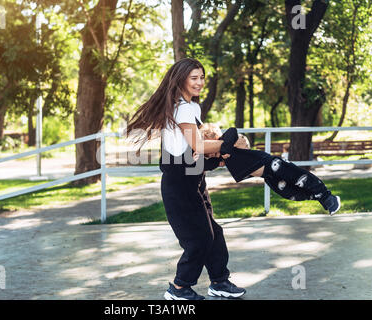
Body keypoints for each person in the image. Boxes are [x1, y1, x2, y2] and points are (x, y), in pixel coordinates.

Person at [126, 58, 246, 300]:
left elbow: (192, 156)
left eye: (202, 77)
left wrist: (218, 157)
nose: (200, 82)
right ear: (181, 79)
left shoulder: (190, 107)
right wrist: (229, 144)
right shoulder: (182, 108)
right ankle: (179, 288)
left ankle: (219, 281)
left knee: (214, 232)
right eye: (194, 78)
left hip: (193, 181)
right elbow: (197, 146)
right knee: (199, 238)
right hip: (179, 186)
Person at [198, 123, 341, 215]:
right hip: (267, 176)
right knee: (289, 193)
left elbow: (232, 131)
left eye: (209, 151)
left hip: (271, 163)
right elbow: (206, 165)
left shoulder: (228, 141)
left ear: (214, 138)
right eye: (208, 154)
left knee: (299, 178)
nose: (210, 155)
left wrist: (222, 147)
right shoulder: (219, 158)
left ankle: (328, 197)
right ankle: (317, 197)